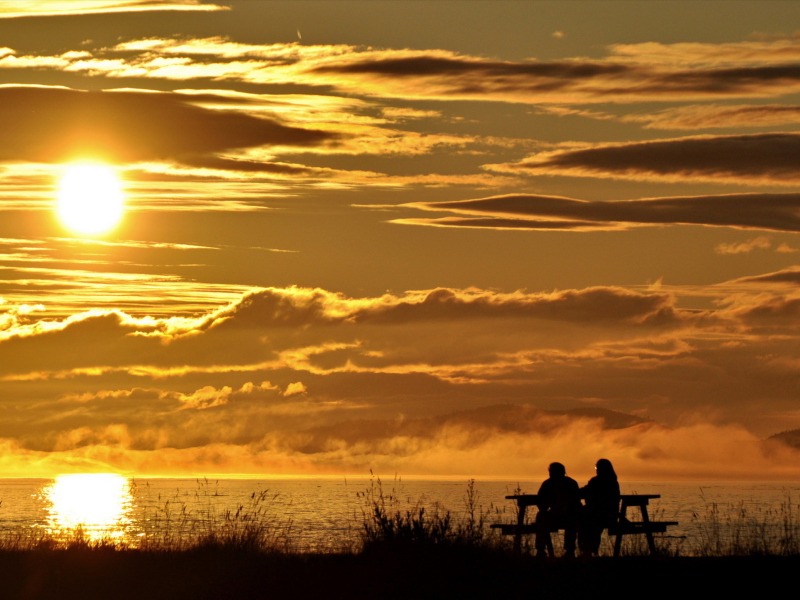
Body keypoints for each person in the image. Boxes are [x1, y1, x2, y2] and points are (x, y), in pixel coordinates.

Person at [535, 462, 581, 557]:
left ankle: (542, 550)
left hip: (566, 515)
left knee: (542, 518)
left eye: (552, 472)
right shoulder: (570, 483)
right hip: (561, 515)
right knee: (541, 517)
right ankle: (542, 550)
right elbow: (540, 500)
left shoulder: (550, 483)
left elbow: (540, 500)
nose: (550, 474)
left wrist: (546, 509)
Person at [579, 458, 621, 555]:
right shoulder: (613, 482)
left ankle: (586, 550)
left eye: (596, 467)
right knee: (592, 526)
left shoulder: (597, 481)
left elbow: (585, 491)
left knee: (584, 521)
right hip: (611, 515)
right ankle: (591, 550)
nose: (596, 469)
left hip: (598, 515)